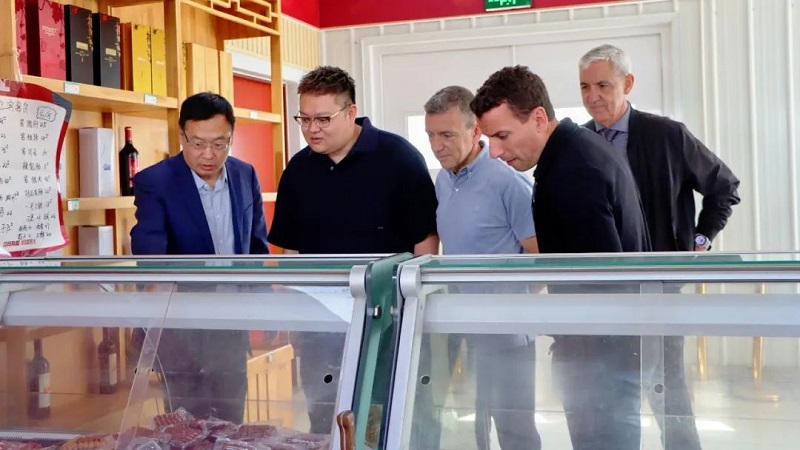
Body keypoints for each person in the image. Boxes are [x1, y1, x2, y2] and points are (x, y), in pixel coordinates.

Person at [471, 65, 650, 450]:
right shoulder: (575, 150)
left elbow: (599, 280)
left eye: (502, 136)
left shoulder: (573, 169)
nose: (495, 152)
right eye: (489, 139)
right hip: (603, 350)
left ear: (538, 118)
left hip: (603, 356)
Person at [578, 43, 741, 450]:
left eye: (602, 85)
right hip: (600, 293)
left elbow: (724, 187)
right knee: (606, 392)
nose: (592, 96)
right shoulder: (578, 143)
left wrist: (699, 240)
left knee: (666, 389)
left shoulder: (667, 134)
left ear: (628, 83)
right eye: (584, 87)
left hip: (658, 289)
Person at [268, 66, 439, 440]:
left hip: (389, 320)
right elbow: (290, 249)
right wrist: (292, 313)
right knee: (325, 416)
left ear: (351, 112)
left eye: (323, 119)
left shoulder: (398, 158)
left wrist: (414, 315)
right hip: (321, 325)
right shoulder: (298, 170)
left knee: (395, 418)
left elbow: (425, 243)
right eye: (304, 119)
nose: (312, 129)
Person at [130, 92, 270, 422]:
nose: (209, 154)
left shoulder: (245, 175)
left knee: (231, 422)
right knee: (186, 426)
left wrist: (266, 308)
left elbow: (256, 247)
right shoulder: (156, 181)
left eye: (220, 144)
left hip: (232, 325)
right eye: (198, 143)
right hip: (182, 329)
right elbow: (150, 254)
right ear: (182, 135)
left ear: (231, 137)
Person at [425, 85, 541, 450]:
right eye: (431, 135)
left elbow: (541, 260)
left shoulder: (508, 180)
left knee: (514, 429)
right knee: (467, 425)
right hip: (459, 327)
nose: (437, 145)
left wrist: (513, 306)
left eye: (447, 135)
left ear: (475, 131)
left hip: (507, 334)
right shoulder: (443, 180)